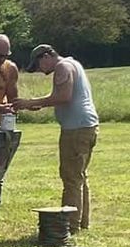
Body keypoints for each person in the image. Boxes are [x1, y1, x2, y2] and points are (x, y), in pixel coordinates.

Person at [16, 43, 99, 232]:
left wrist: (31, 102)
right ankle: (81, 222)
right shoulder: (73, 64)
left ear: (46, 56)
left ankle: (69, 225)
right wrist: (37, 103)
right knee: (79, 177)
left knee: (70, 178)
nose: (40, 70)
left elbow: (64, 96)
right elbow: (59, 95)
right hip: (87, 126)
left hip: (75, 130)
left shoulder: (62, 67)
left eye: (38, 65)